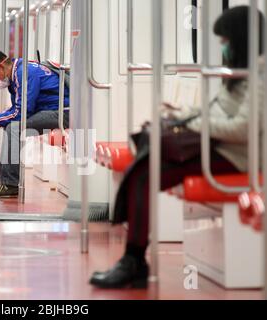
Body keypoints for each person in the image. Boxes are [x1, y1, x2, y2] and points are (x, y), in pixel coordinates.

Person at [89, 6, 264, 289]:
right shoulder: (240, 72)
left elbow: (242, 128)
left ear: (241, 38)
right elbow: (216, 110)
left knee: (146, 169)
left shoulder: (260, 76)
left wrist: (197, 126)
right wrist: (180, 113)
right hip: (217, 147)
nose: (224, 48)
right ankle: (133, 259)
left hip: (238, 156)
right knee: (143, 169)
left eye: (226, 42)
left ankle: (133, 261)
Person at [0, 48, 70, 197]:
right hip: (50, 110)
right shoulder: (17, 73)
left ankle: (10, 184)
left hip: (64, 112)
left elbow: (21, 113)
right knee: (11, 125)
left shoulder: (24, 73)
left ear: (1, 66)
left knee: (14, 128)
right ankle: (4, 182)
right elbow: (17, 109)